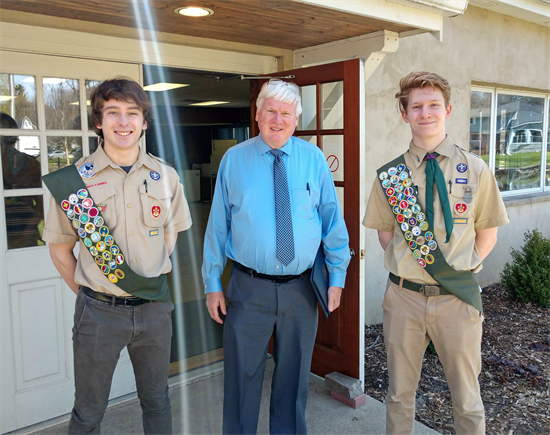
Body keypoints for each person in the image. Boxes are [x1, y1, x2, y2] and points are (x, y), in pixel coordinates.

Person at [42, 78, 192, 435]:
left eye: (132, 113)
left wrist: (142, 275)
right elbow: (61, 251)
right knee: (88, 412)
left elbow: (169, 237)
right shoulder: (74, 181)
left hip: (154, 310)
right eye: (113, 113)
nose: (123, 122)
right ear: (99, 121)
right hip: (99, 314)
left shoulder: (165, 177)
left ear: (144, 122)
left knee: (157, 401)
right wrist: (95, 299)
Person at [363, 71, 509, 434]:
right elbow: (386, 236)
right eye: (416, 106)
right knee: (399, 395)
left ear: (448, 109)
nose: (425, 113)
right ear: (404, 113)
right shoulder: (391, 176)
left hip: (457, 298)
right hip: (404, 299)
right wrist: (414, 267)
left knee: (467, 397)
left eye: (433, 105)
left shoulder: (474, 170)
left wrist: (461, 272)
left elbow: (486, 235)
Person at [202, 79, 350, 435]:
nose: (278, 119)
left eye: (286, 113)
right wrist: (212, 283)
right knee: (241, 378)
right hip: (247, 288)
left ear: (296, 119)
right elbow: (217, 226)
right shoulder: (234, 160)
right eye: (270, 110)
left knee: (293, 380)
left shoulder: (313, 159)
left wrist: (337, 277)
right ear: (257, 115)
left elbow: (332, 220)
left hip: (302, 289)